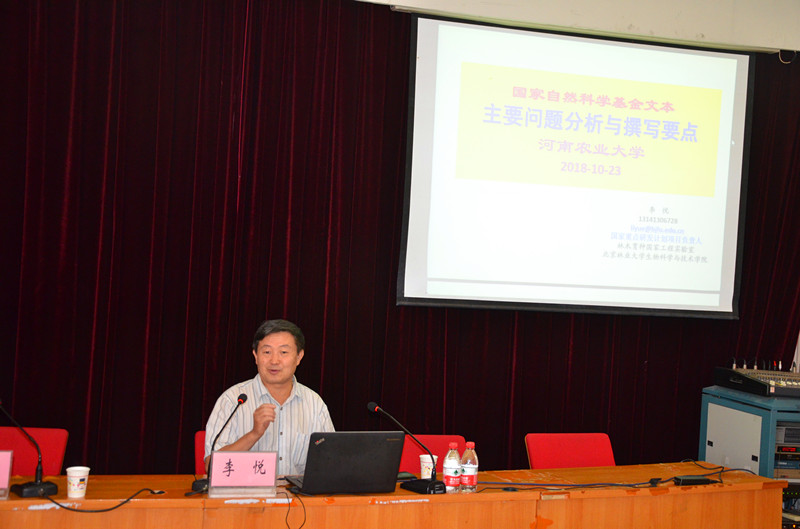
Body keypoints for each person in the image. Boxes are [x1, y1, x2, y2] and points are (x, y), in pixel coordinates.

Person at [204, 319, 334, 476]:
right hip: (246, 491)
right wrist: (254, 434)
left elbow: (331, 462)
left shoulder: (314, 403)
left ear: (299, 357)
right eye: (267, 352)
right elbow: (211, 468)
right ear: (255, 356)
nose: (274, 361)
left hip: (298, 492)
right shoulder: (233, 400)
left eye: (283, 352)